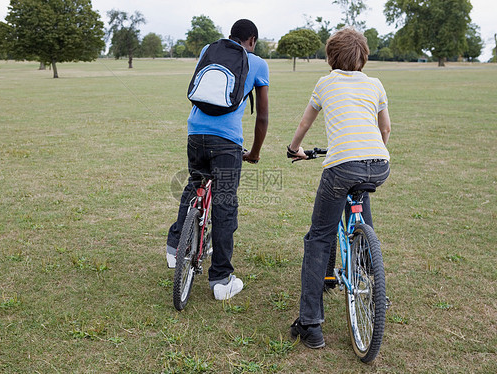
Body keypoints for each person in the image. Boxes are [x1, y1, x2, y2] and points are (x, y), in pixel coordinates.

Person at [286, 27, 391, 348]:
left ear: (330, 57)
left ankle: (310, 324)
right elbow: (385, 128)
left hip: (342, 166)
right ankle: (378, 295)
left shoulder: (325, 83)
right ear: (363, 57)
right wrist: (372, 153)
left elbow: (305, 123)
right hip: (379, 163)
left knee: (318, 237)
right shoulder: (375, 84)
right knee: (361, 215)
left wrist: (294, 150)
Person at [166, 19, 269, 301]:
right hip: (227, 141)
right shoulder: (257, 62)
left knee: (194, 185)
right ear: (252, 40)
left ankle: (175, 249)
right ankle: (221, 279)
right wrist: (255, 152)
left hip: (195, 132)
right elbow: (262, 116)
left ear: (229, 37)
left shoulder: (207, 50)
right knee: (224, 204)